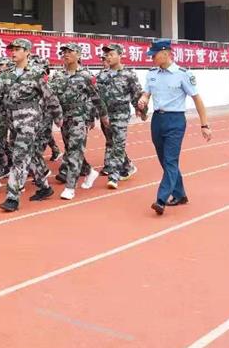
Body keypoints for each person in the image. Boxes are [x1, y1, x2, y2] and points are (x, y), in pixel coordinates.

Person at [0, 38, 60, 212]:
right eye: (12, 49)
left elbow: (50, 97)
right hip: (12, 121)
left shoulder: (36, 73)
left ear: (27, 52)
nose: (13, 52)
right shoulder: (7, 74)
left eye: (17, 49)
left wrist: (58, 115)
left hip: (29, 120)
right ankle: (44, 187)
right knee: (31, 154)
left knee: (19, 157)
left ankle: (12, 197)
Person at [138, 39, 212, 216]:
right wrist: (143, 100)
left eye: (154, 55)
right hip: (157, 120)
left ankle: (161, 199)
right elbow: (147, 93)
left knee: (170, 160)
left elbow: (197, 99)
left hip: (175, 121)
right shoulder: (152, 74)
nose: (151, 58)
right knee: (164, 160)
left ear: (165, 54)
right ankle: (180, 194)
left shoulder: (182, 74)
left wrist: (204, 125)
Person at [48, 43, 108, 200]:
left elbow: (96, 98)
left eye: (70, 51)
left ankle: (70, 187)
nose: (66, 54)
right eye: (64, 52)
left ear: (79, 55)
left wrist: (102, 116)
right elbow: (50, 96)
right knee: (71, 149)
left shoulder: (86, 76)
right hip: (64, 119)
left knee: (75, 151)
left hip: (79, 118)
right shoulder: (58, 76)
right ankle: (89, 171)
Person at [96, 44, 146, 189]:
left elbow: (136, 93)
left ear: (120, 55)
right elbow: (96, 96)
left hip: (121, 114)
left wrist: (140, 110)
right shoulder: (102, 75)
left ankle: (114, 176)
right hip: (106, 115)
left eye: (111, 54)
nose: (108, 57)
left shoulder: (129, 74)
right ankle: (128, 166)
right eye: (107, 55)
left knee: (118, 143)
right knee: (112, 142)